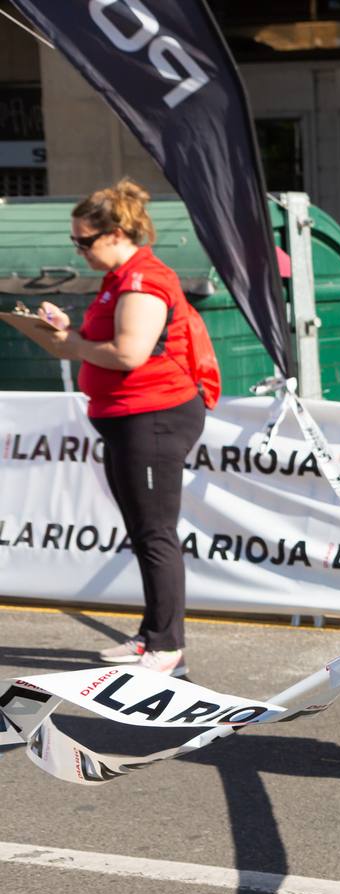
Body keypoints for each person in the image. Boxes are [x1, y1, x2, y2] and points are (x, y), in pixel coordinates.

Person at [18, 179, 206, 677]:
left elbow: (129, 353)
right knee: (145, 532)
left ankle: (168, 647)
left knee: (155, 532)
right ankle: (153, 635)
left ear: (117, 233)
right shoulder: (119, 278)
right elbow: (88, 345)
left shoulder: (142, 279)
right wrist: (62, 335)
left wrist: (73, 344)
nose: (78, 250)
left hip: (153, 415)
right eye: (75, 241)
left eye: (84, 241)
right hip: (127, 416)